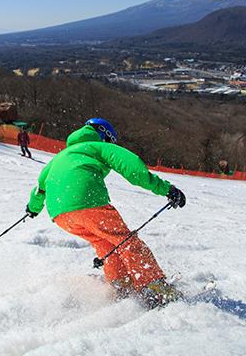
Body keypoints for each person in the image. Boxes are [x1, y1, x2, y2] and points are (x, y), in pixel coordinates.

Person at [25, 118, 187, 308]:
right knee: (125, 241)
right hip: (87, 203)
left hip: (61, 214)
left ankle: (122, 285)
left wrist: (33, 208)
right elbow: (133, 168)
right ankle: (155, 288)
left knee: (104, 242)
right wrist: (167, 189)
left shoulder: (60, 156)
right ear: (105, 136)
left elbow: (39, 188)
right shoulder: (97, 147)